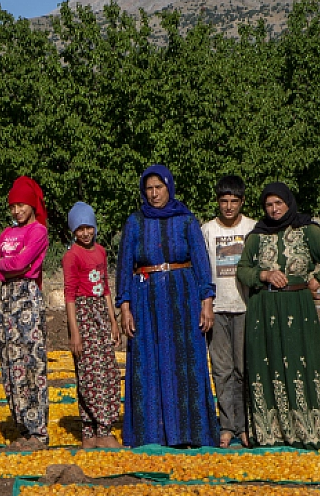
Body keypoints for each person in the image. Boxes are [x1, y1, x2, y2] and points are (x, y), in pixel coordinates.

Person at [115, 165, 219, 448]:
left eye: (158, 187)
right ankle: (151, 433)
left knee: (184, 361)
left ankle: (190, 432)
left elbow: (200, 263)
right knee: (148, 361)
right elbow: (124, 266)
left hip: (182, 299)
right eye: (148, 189)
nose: (154, 193)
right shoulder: (135, 222)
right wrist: (125, 307)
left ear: (169, 187)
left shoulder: (186, 221)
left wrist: (206, 302)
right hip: (145, 300)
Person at [236, 183, 320, 448]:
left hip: (298, 306)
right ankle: (271, 431)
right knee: (268, 362)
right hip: (264, 307)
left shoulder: (307, 231)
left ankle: (308, 429)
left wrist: (317, 281)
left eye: (278, 204)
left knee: (300, 361)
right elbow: (242, 269)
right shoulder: (257, 236)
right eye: (269, 205)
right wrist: (263, 275)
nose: (273, 210)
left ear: (288, 203)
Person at [0, 176, 51, 451]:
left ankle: (38, 430)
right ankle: (22, 427)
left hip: (27, 298)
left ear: (32, 205)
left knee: (31, 357)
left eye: (21, 205)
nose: (16, 211)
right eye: (13, 206)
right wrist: (6, 266)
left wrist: (5, 265)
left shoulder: (38, 232)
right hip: (7, 299)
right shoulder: (6, 234)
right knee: (11, 359)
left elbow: (24, 263)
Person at [62, 202, 122, 449]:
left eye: (89, 227)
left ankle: (96, 430)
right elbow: (69, 295)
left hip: (99, 313)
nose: (85, 233)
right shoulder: (71, 256)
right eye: (80, 229)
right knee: (90, 374)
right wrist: (75, 332)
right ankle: (97, 428)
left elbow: (106, 287)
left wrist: (112, 320)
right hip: (84, 316)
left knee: (106, 372)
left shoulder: (101, 252)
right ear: (73, 232)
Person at [202, 174, 256, 448]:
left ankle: (245, 425)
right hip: (218, 308)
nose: (229, 206)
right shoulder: (207, 230)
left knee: (243, 368)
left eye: (234, 201)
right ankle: (226, 425)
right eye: (224, 201)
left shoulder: (253, 228)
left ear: (242, 201)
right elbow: (202, 271)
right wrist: (205, 305)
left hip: (245, 307)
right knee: (221, 369)